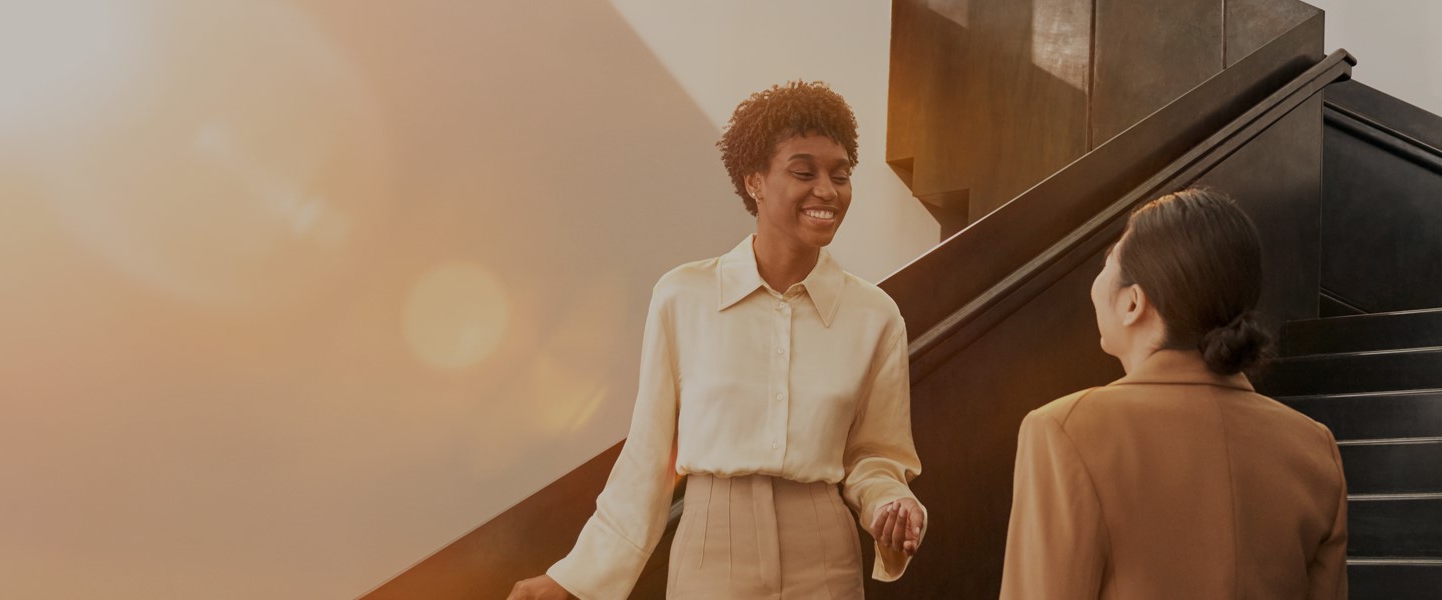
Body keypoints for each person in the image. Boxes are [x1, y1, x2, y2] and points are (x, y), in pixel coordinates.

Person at [507, 81, 927, 600]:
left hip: (825, 561)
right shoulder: (683, 297)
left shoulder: (875, 316)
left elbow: (875, 457)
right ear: (754, 180)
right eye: (803, 172)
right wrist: (574, 580)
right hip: (712, 553)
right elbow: (649, 458)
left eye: (840, 176)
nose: (827, 190)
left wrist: (890, 501)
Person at [999, 188, 1348, 599]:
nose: (1096, 281)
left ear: (1133, 303)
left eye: (1106, 263)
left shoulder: (1063, 430)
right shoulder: (1314, 447)